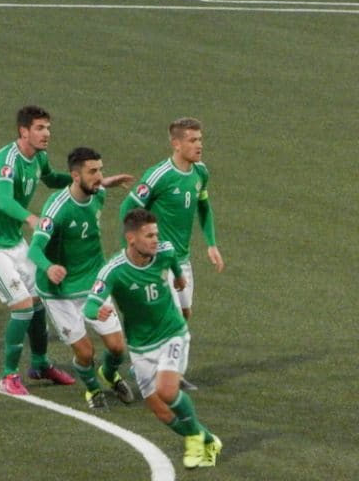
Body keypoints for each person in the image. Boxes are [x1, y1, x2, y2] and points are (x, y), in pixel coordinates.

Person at [83, 209, 222, 469]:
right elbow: (90, 305)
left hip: (172, 334)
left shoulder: (165, 252)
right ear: (131, 238)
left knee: (167, 391)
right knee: (160, 410)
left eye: (156, 234)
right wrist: (96, 312)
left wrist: (179, 277)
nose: (156, 240)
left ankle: (194, 440)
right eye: (149, 236)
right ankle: (206, 439)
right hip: (140, 346)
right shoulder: (114, 270)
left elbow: (174, 263)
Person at [0, 105, 76, 396]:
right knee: (22, 306)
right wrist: (30, 218)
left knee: (38, 300)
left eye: (48, 127)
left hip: (13, 241)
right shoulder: (5, 161)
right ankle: (8, 376)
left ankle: (40, 364)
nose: (46, 133)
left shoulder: (39, 157)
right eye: (40, 128)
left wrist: (83, 180)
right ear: (23, 131)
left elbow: (51, 179)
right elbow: (4, 202)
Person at [28, 147, 136, 409]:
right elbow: (34, 249)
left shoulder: (97, 194)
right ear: (75, 176)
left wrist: (108, 182)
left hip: (93, 283)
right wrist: (49, 267)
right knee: (85, 352)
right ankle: (92, 389)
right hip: (60, 291)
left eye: (100, 170)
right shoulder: (57, 208)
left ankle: (109, 374)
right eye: (93, 171)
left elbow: (99, 186)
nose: (99, 176)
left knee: (117, 348)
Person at [119, 117, 224, 322]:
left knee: (184, 315)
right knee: (172, 322)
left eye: (200, 139)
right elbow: (127, 208)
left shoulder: (200, 172)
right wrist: (129, 253)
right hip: (157, 259)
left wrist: (211, 244)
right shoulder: (159, 176)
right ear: (176, 144)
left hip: (182, 259)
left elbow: (203, 206)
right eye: (192, 140)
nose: (199, 145)